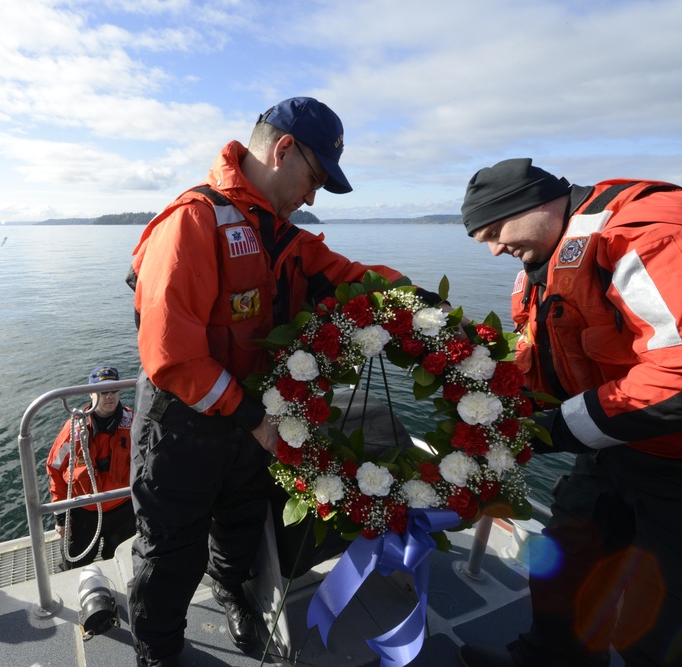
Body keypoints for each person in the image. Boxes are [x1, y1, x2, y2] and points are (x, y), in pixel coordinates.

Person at [126, 96, 445, 666]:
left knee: (241, 523)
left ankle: (231, 592)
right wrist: (256, 420)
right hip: (184, 427)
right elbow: (171, 357)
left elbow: (352, 279)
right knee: (170, 550)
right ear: (283, 150)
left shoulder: (289, 240)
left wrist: (415, 300)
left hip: (252, 422)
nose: (313, 196)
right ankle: (158, 649)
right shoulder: (192, 222)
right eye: (315, 178)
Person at [457, 158, 682, 667]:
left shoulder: (643, 236)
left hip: (673, 460)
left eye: (496, 231)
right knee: (562, 559)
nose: (494, 250)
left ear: (536, 204)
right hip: (616, 448)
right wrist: (490, 411)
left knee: (657, 622)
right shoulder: (542, 271)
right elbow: (543, 364)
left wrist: (551, 430)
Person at [46, 365, 135, 570]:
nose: (109, 396)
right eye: (103, 392)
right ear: (91, 394)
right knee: (75, 564)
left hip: (123, 511)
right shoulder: (73, 429)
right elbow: (55, 469)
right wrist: (61, 516)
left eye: (114, 390)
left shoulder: (133, 423)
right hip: (83, 514)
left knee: (123, 562)